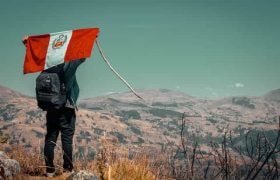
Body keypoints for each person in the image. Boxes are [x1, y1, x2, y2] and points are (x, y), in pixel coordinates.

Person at [22, 36, 85, 177]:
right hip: (66, 108)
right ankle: (67, 170)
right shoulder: (67, 67)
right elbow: (81, 57)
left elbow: (36, 54)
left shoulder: (47, 65)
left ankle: (49, 170)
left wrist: (28, 43)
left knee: (50, 139)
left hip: (51, 108)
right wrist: (90, 38)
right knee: (67, 140)